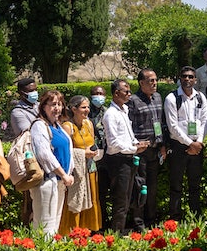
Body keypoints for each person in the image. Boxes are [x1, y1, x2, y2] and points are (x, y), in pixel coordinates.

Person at [102, 79, 148, 233]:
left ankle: (120, 233)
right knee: (120, 200)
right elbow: (113, 143)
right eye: (126, 91)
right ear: (116, 93)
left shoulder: (124, 110)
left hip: (128, 158)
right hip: (118, 160)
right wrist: (133, 148)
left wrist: (137, 143)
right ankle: (115, 236)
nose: (129, 94)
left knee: (128, 198)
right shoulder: (111, 114)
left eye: (129, 91)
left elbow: (129, 135)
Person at [164, 66, 207, 220]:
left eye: (191, 77)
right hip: (179, 147)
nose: (187, 79)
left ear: (195, 79)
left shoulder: (200, 97)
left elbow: (205, 122)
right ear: (180, 78)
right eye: (184, 76)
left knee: (195, 184)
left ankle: (195, 216)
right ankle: (175, 218)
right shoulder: (172, 98)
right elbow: (173, 126)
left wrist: (199, 143)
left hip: (197, 146)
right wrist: (191, 143)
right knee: (176, 185)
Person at [28, 90, 74, 236]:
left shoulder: (57, 126)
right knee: (45, 225)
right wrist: (63, 174)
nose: (57, 108)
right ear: (43, 106)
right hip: (47, 181)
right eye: (53, 104)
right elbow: (44, 154)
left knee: (55, 223)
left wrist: (67, 175)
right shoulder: (39, 125)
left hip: (60, 181)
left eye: (59, 104)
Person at [127, 68, 166, 228]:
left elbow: (161, 123)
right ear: (141, 83)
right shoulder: (134, 100)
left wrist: (163, 145)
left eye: (156, 80)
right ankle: (138, 223)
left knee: (152, 186)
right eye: (151, 81)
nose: (154, 83)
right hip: (141, 151)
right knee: (140, 186)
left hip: (155, 149)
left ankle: (151, 220)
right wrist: (135, 144)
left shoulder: (157, 97)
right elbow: (128, 126)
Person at [60, 95, 103, 233]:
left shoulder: (88, 123)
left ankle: (88, 229)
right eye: (84, 107)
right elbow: (65, 150)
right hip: (76, 171)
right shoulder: (67, 126)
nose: (87, 110)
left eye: (88, 107)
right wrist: (82, 153)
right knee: (75, 199)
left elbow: (92, 143)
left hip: (90, 167)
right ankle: (72, 231)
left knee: (92, 197)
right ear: (74, 109)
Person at [10, 77, 40, 223]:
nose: (35, 93)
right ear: (22, 93)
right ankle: (28, 232)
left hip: (45, 156)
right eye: (30, 91)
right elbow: (29, 133)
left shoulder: (39, 106)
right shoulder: (18, 112)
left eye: (35, 90)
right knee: (30, 199)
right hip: (31, 158)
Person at [87, 84, 110, 223]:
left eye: (101, 94)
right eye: (96, 94)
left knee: (104, 189)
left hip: (106, 154)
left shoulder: (107, 112)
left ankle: (104, 219)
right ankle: (94, 220)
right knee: (93, 190)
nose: (99, 97)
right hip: (92, 155)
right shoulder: (87, 113)